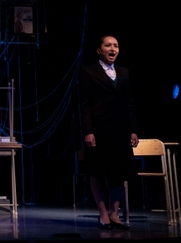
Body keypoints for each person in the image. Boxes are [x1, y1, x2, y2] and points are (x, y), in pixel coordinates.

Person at [79, 35, 138, 230]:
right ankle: (103, 213)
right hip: (99, 129)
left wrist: (133, 130)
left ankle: (115, 213)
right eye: (108, 45)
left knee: (119, 172)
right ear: (99, 50)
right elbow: (84, 104)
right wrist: (88, 131)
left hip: (120, 129)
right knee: (98, 171)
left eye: (116, 46)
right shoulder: (89, 71)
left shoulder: (124, 72)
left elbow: (129, 103)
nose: (113, 49)